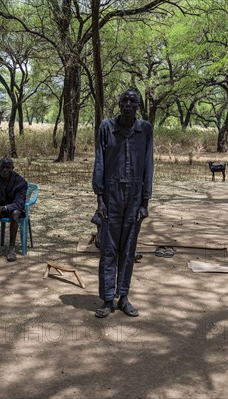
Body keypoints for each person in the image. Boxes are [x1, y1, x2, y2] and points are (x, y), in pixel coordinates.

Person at [92, 88, 154, 318]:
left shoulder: (145, 129)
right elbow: (99, 162)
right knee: (108, 249)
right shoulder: (106, 127)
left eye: (132, 101)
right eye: (124, 100)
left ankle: (124, 296)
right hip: (111, 195)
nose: (128, 104)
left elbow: (149, 164)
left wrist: (145, 201)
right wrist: (100, 199)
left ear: (138, 105)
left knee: (128, 250)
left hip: (135, 196)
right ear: (118, 103)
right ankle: (107, 298)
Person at [0, 157, 27, 262]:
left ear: (13, 168)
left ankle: (11, 249)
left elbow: (19, 203)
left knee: (15, 214)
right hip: (0, 208)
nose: (5, 170)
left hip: (13, 209)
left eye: (8, 168)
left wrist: (4, 208)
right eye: (3, 167)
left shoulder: (20, 182)